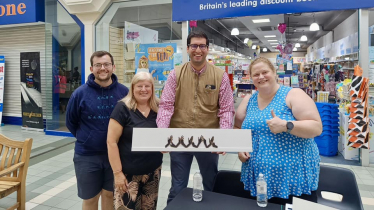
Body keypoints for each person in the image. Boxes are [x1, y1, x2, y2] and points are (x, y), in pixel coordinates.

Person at [157, 31, 235, 204]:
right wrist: (162, 135)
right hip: (179, 139)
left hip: (208, 140)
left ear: (207, 49)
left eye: (202, 46)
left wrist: (224, 136)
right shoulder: (175, 74)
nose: (197, 50)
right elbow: (166, 106)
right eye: (194, 46)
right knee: (177, 187)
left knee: (210, 184)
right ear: (187, 48)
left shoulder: (220, 76)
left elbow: (227, 110)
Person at [235, 57, 322, 204]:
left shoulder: (293, 95)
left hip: (291, 177)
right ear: (251, 78)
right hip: (258, 177)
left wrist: (287, 126)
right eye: (256, 74)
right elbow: (238, 128)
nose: (261, 77)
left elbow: (316, 127)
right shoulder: (248, 100)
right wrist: (240, 148)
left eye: (265, 72)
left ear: (275, 73)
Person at [66, 51, 129, 210]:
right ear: (91, 68)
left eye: (107, 64)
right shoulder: (79, 94)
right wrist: (87, 138)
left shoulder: (124, 93)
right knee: (90, 198)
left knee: (110, 195)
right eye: (98, 65)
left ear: (113, 67)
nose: (103, 68)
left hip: (115, 155)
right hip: (87, 156)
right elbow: (71, 122)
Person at [107, 72, 163, 210]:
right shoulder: (123, 108)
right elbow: (111, 142)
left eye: (147, 86)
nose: (143, 89)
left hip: (152, 173)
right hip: (128, 175)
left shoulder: (159, 107)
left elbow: (165, 135)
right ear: (132, 88)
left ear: (152, 88)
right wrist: (117, 173)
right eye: (139, 86)